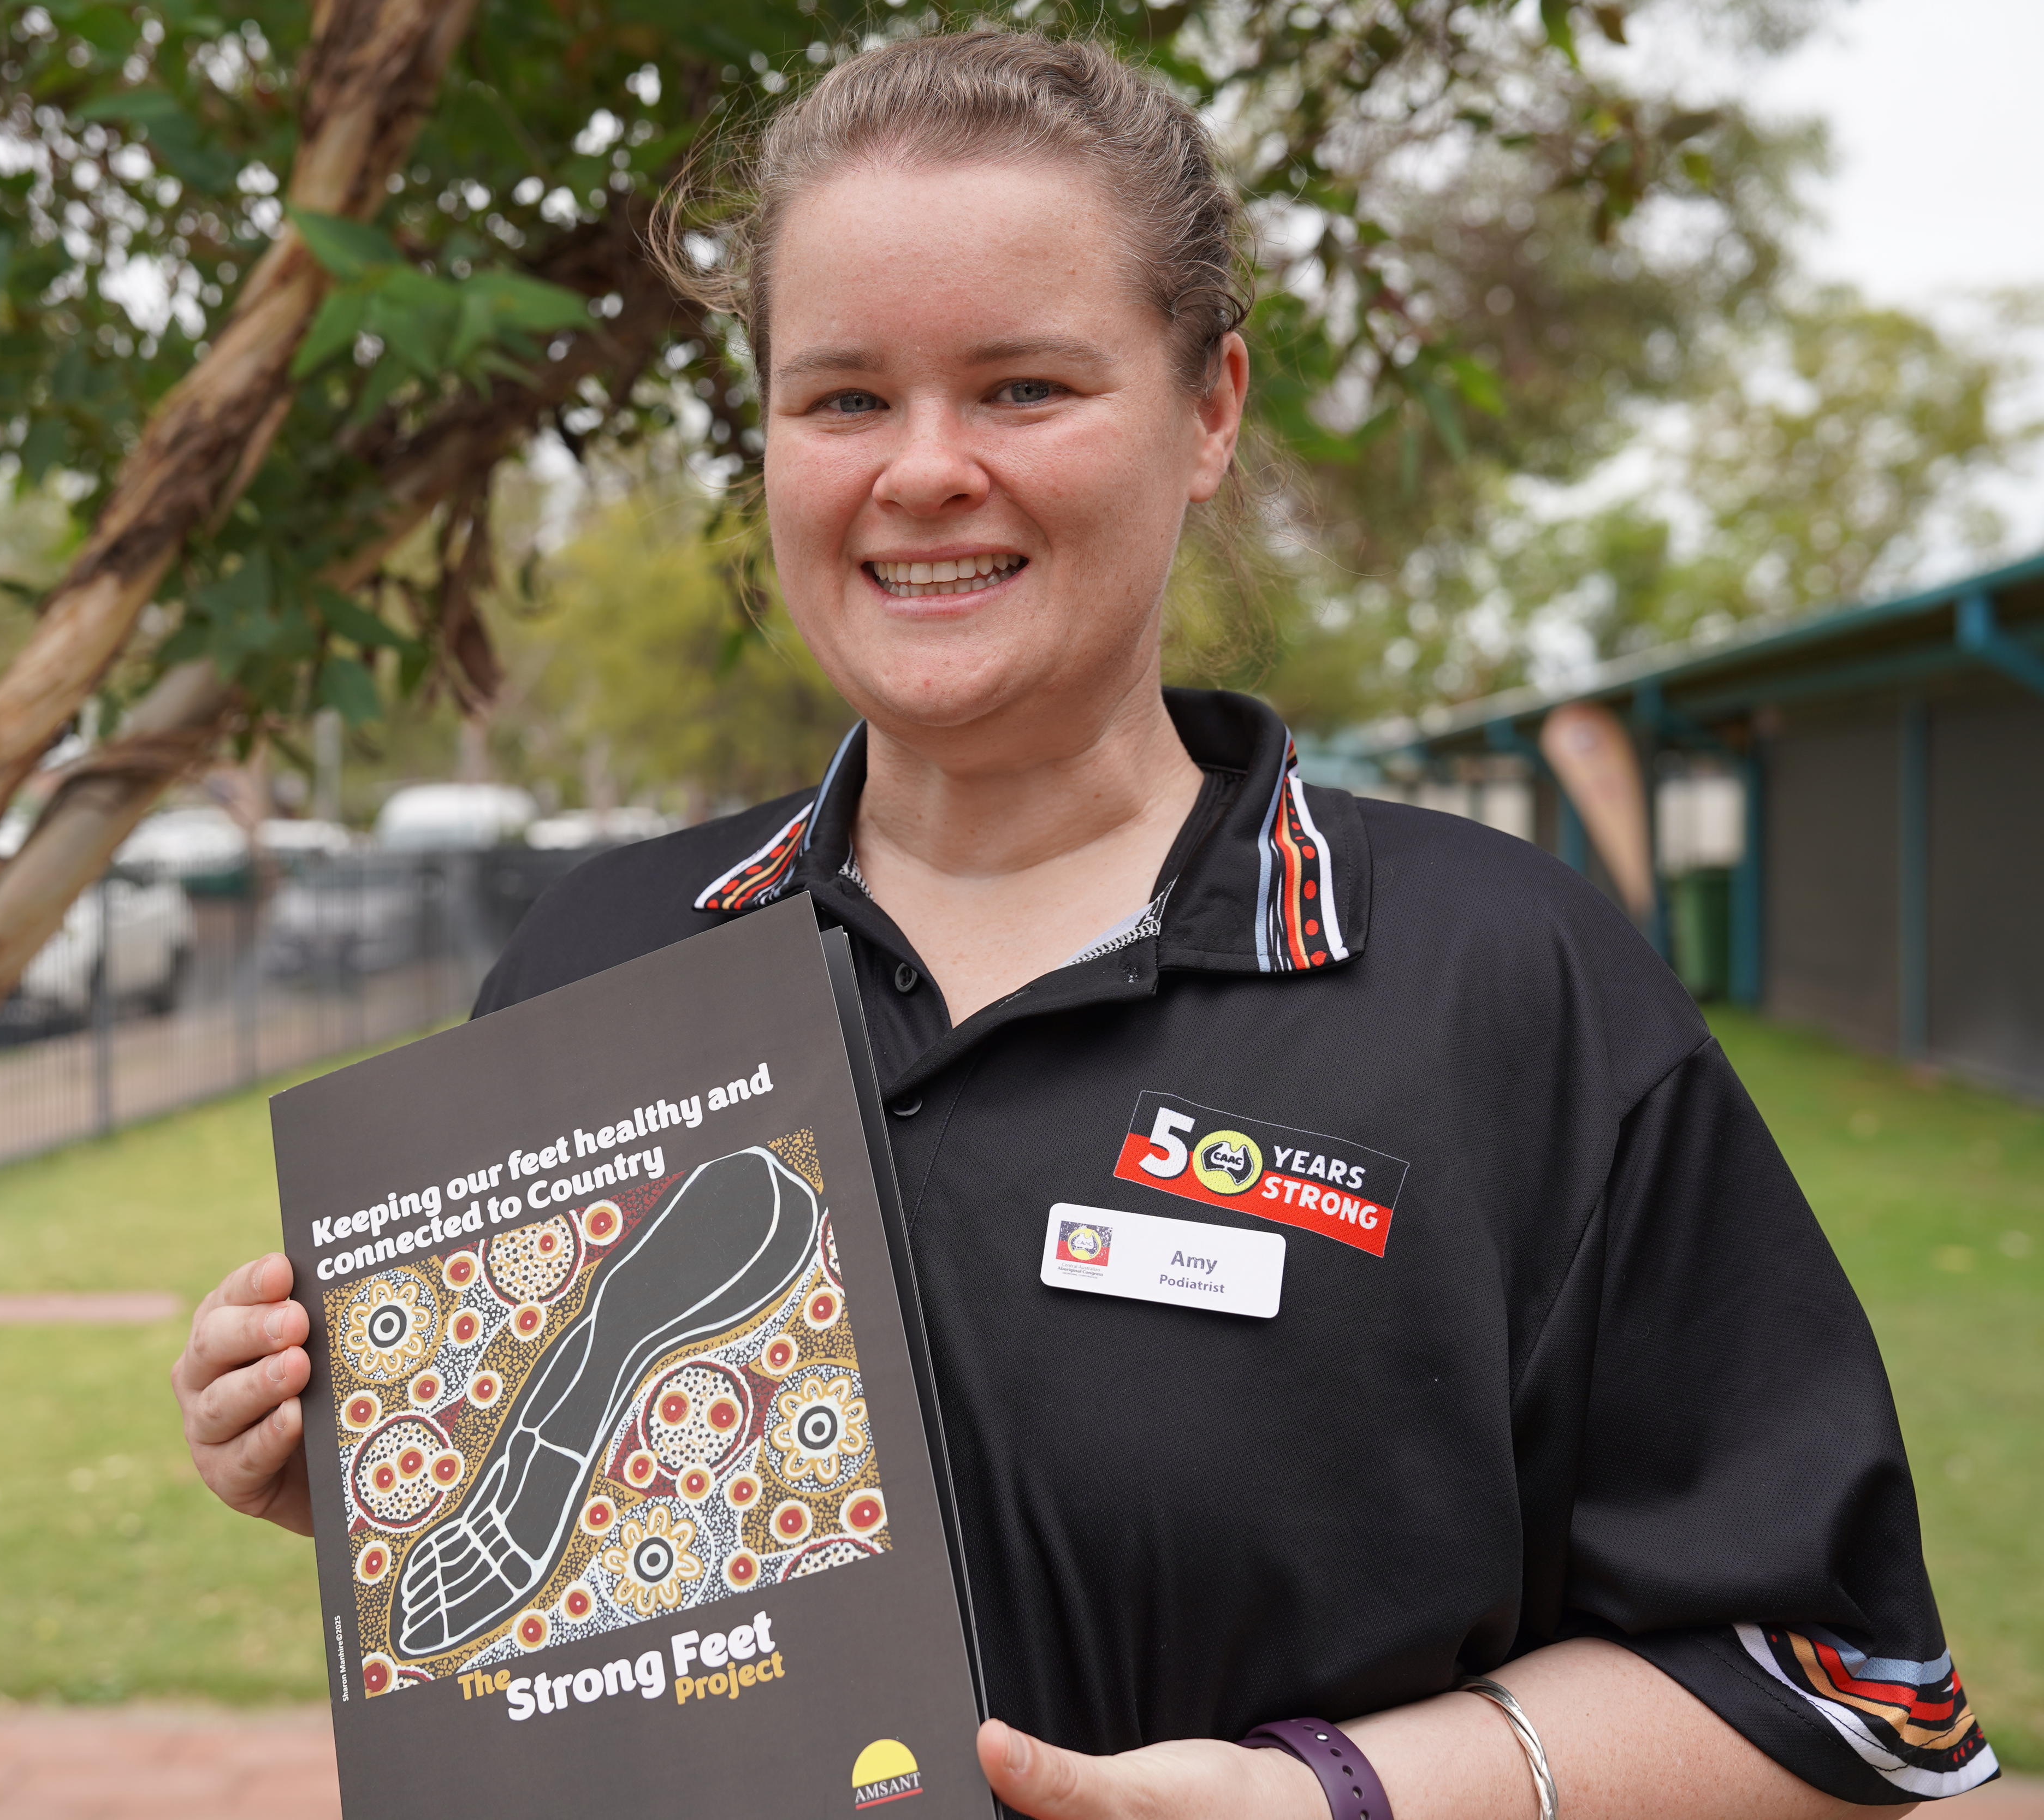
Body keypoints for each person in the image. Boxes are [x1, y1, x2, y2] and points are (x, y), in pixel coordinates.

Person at [173, 29, 1996, 1819]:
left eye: (1024, 389)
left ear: (1211, 410)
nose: (923, 471)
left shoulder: (1499, 980)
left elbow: (1851, 1691)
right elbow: (578, 1687)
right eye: (845, 399)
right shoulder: (607, 959)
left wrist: (1338, 1796)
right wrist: (372, 1461)